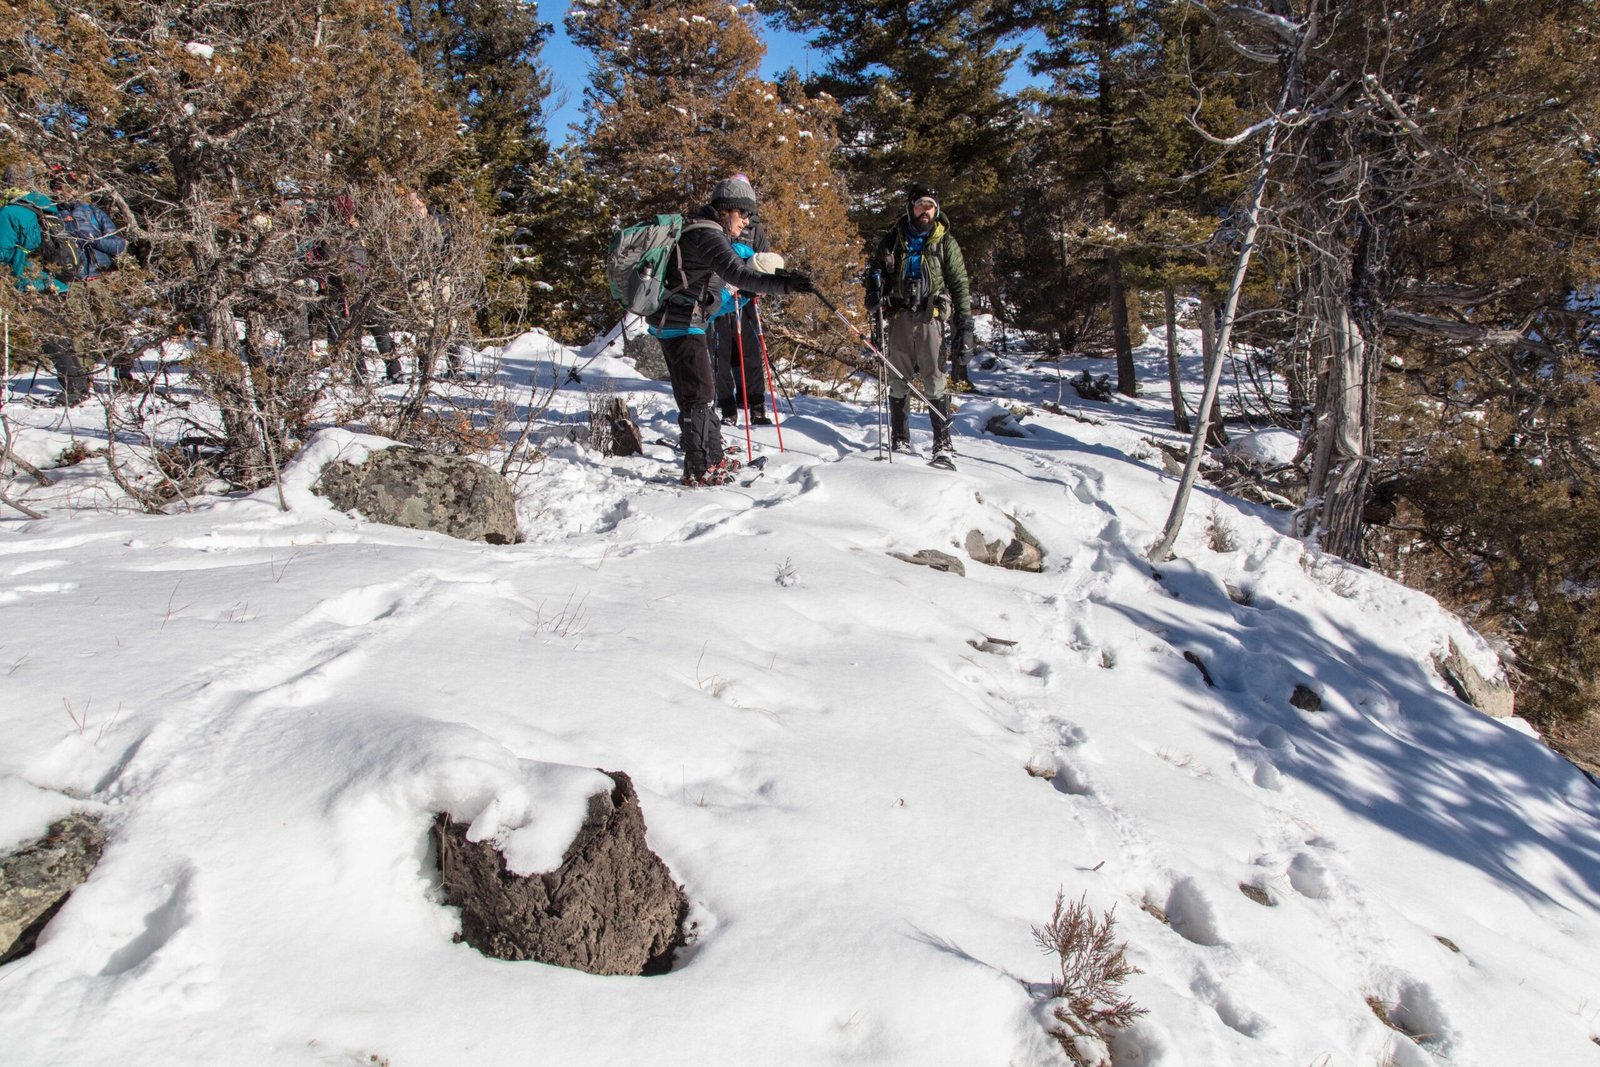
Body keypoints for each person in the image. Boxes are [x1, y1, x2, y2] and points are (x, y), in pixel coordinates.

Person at [647, 175, 813, 486]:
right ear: (727, 209)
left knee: (701, 393)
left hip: (685, 322)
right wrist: (785, 285)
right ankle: (699, 467)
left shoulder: (706, 230)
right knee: (698, 396)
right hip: (680, 325)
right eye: (744, 213)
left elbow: (721, 284)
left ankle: (712, 456)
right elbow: (737, 273)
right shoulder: (707, 233)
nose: (747, 221)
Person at [864, 182, 973, 466]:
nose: (925, 211)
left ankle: (943, 444)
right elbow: (875, 270)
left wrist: (965, 328)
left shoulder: (945, 242)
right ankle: (900, 438)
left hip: (930, 316)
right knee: (897, 379)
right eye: (920, 205)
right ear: (910, 208)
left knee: (934, 379)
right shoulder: (893, 239)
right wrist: (873, 289)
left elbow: (960, 285)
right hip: (899, 315)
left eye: (930, 207)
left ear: (937, 210)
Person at [1, 162, 89, 404]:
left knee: (50, 337)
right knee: (60, 334)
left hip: (32, 281)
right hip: (57, 280)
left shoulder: (10, 212)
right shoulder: (45, 207)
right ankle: (79, 385)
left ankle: (73, 390)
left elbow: (2, 251)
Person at [47, 167, 131, 387]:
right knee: (77, 332)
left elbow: (119, 245)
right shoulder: (49, 216)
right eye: (57, 187)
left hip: (101, 278)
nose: (63, 191)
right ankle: (84, 379)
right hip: (70, 282)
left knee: (113, 325)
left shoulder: (94, 212)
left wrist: (93, 240)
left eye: (68, 186)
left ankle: (124, 373)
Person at [711, 175, 773, 426]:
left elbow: (765, 259)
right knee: (721, 354)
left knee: (750, 353)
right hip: (719, 297)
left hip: (746, 300)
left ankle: (756, 406)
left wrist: (761, 283)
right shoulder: (717, 226)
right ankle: (727, 407)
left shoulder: (754, 228)